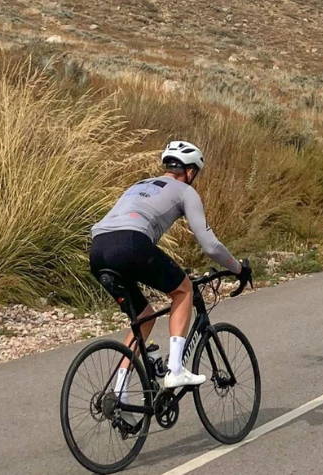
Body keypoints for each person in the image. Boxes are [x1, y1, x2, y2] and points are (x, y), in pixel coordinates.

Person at [89, 141, 252, 400]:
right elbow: (210, 245)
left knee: (144, 317)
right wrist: (237, 268)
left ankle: (118, 395)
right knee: (183, 289)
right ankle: (175, 369)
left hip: (98, 249)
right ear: (190, 171)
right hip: (131, 244)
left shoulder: (138, 185)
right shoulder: (185, 191)